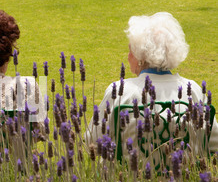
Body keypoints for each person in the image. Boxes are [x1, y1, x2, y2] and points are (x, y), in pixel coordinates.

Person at [86, 12, 218, 160]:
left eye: (131, 50)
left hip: (127, 181)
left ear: (141, 58)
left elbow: (93, 143)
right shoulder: (193, 91)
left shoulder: (120, 91)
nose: (128, 56)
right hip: (184, 180)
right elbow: (214, 144)